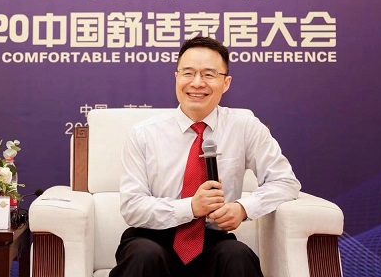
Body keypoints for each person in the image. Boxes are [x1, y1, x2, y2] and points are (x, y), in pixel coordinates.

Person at [109, 36, 301, 277]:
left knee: (238, 256)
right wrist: (191, 207)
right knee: (144, 255)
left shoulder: (245, 127)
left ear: (226, 83)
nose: (197, 83)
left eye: (209, 74)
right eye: (188, 73)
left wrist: (243, 208)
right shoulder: (144, 134)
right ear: (176, 77)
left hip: (211, 239)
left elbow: (285, 182)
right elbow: (132, 207)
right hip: (151, 237)